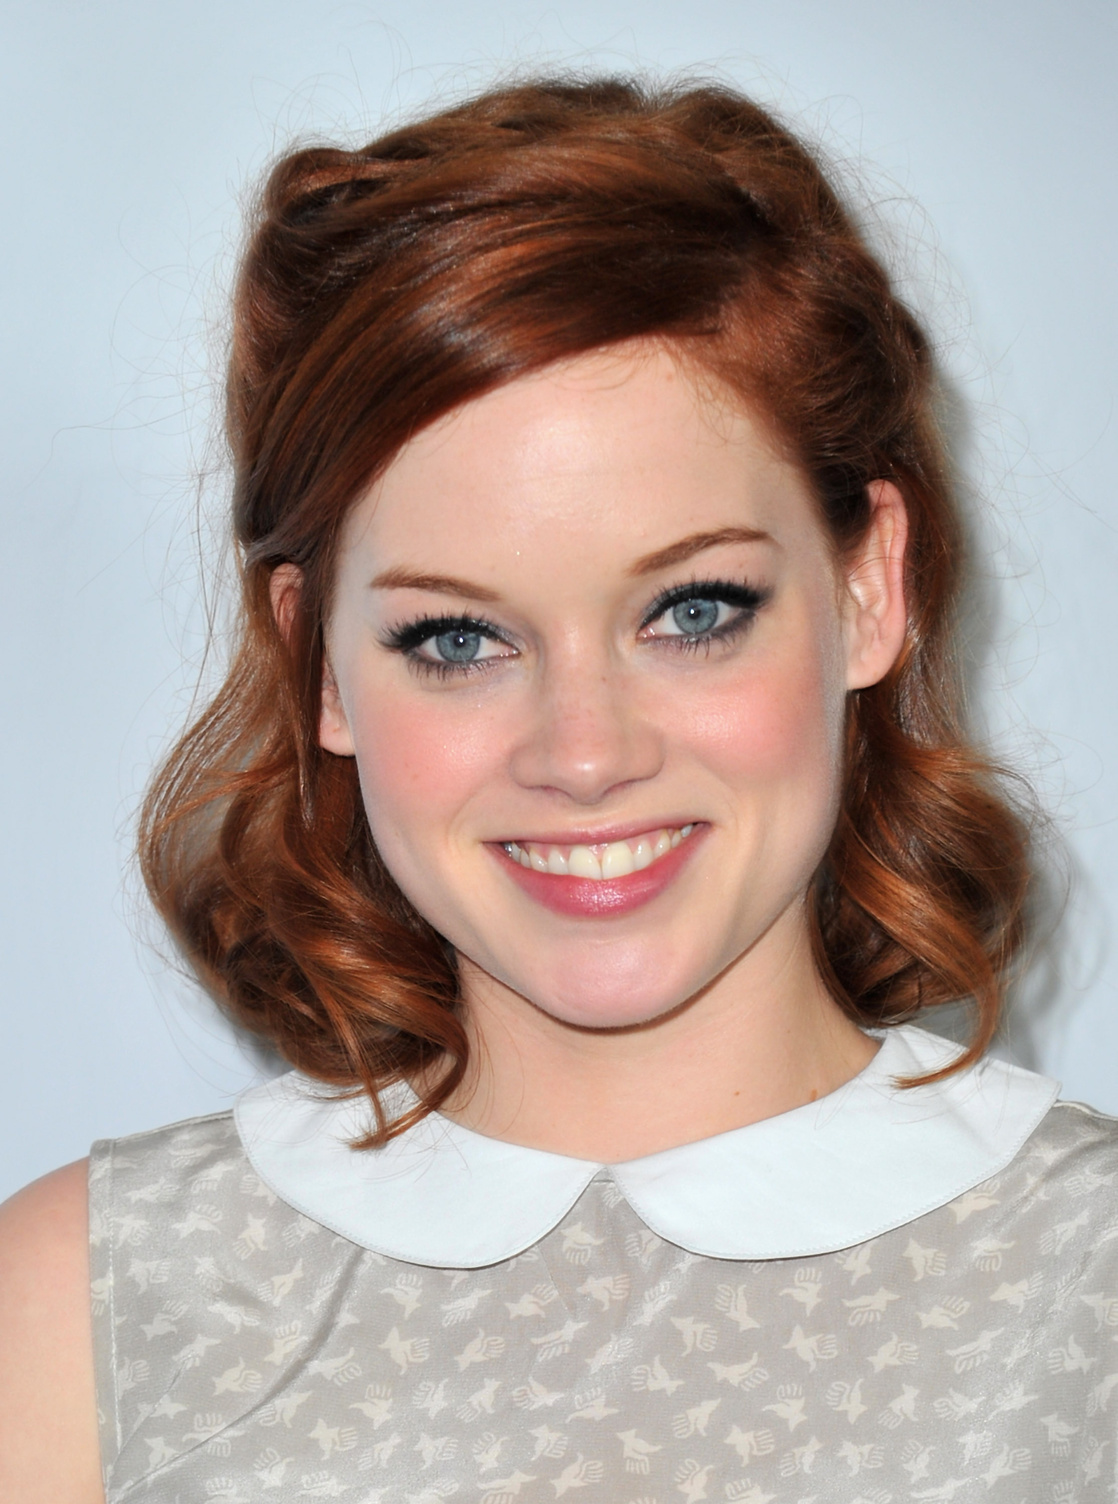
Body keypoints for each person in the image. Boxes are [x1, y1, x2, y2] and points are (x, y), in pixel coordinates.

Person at [2, 74, 1115, 1503]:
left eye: (693, 611)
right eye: (458, 639)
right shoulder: (88, 1312)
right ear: (319, 663)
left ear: (868, 587)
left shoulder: (1088, 1287)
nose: (583, 756)